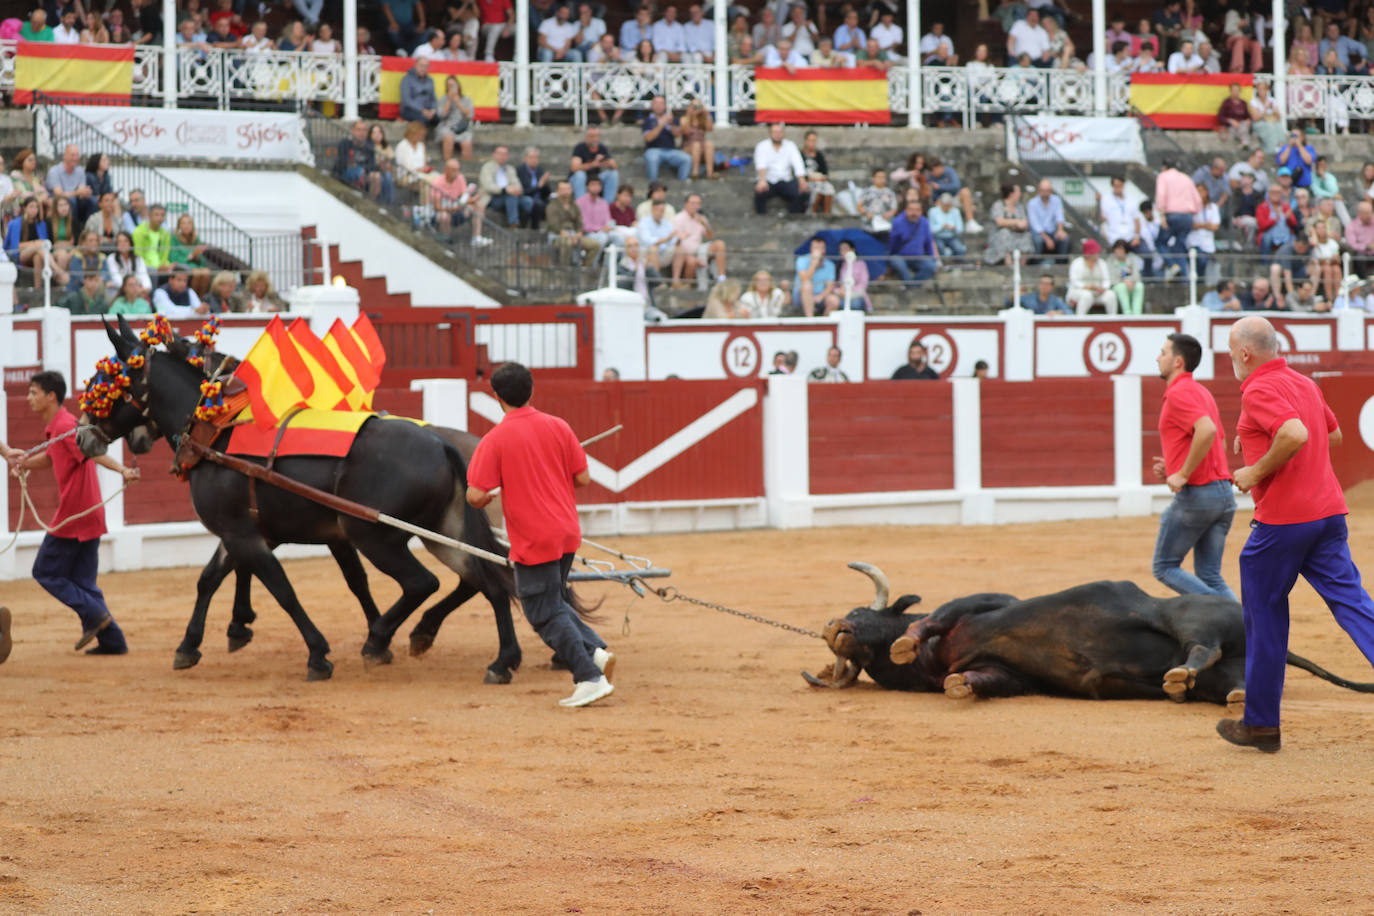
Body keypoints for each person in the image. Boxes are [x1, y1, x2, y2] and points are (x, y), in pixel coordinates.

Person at [1217, 316, 1374, 751]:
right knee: (1354, 603)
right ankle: (1260, 722)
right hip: (1328, 515)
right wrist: (1251, 438)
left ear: (1245, 353)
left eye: (1232, 353)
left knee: (1264, 617)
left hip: (1284, 522)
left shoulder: (1259, 388)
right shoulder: (1303, 383)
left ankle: (1262, 724)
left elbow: (1294, 432)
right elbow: (1334, 434)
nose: (1232, 360)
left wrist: (1255, 470)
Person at [465, 363, 615, 708]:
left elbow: (474, 495)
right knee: (556, 602)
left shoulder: (495, 439)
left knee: (542, 612)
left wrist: (490, 493)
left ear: (497, 397)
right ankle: (595, 652)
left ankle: (589, 676)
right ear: (531, 390)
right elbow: (583, 479)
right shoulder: (558, 427)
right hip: (566, 532)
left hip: (535, 537)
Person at [1, 371, 140, 660]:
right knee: (83, 582)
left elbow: (92, 452)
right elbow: (53, 457)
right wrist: (25, 463)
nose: (28, 398)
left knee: (45, 571)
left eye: (33, 392)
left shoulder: (64, 424)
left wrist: (123, 470)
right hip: (88, 512)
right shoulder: (58, 426)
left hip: (75, 514)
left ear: (50, 396)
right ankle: (113, 640)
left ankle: (94, 615)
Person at [1149, 333, 1237, 600]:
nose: (1157, 357)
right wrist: (1176, 463)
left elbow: (1207, 430)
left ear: (1177, 361)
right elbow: (1218, 443)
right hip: (1223, 495)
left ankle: (1227, 618)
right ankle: (1245, 631)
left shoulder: (1178, 393)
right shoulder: (1201, 392)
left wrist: (1184, 472)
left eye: (1163, 352)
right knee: (1210, 575)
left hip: (1198, 496)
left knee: (1164, 567)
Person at [669, 193, 725, 287]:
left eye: (698, 203)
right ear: (686, 204)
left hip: (700, 249)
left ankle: (721, 278)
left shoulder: (701, 218)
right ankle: (688, 286)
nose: (695, 206)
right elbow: (676, 242)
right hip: (685, 252)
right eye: (693, 203)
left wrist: (706, 225)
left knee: (720, 244)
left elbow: (710, 237)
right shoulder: (678, 219)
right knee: (692, 261)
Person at [753, 122, 808, 216]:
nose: (777, 135)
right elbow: (761, 164)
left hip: (786, 180)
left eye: (780, 132)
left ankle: (793, 216)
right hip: (768, 181)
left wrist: (802, 180)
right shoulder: (762, 146)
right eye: (775, 132)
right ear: (770, 133)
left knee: (803, 192)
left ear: (783, 133)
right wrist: (762, 180)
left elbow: (798, 163)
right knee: (760, 191)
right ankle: (761, 218)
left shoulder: (790, 145)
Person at [641, 96, 691, 184]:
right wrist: (661, 124)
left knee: (687, 159)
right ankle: (653, 184)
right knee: (652, 158)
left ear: (665, 106)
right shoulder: (648, 120)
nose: (659, 106)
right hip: (653, 150)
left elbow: (678, 135)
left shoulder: (671, 119)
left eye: (661, 103)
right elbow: (648, 138)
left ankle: (682, 183)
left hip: (670, 151)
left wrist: (671, 124)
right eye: (656, 103)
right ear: (652, 106)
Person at [985, 183, 1035, 266]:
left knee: (1027, 236)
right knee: (1004, 233)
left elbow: (1025, 222)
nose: (1020, 194)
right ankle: (1009, 264)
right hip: (1000, 234)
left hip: (1017, 233)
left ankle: (1021, 264)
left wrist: (1021, 225)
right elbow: (1000, 222)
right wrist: (1016, 222)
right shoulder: (998, 205)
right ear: (1011, 193)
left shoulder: (1019, 206)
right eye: (1018, 191)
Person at [478, 145, 526, 228]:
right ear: (494, 154)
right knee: (511, 197)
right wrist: (505, 189)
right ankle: (513, 223)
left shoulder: (510, 169)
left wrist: (516, 189)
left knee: (528, 202)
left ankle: (526, 225)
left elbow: (517, 184)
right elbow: (488, 186)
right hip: (492, 197)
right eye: (500, 154)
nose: (502, 156)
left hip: (510, 196)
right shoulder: (487, 167)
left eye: (504, 154)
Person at [1066, 239, 1118, 314]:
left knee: (1111, 295)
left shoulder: (1102, 263)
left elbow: (1106, 280)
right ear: (1089, 253)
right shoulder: (1077, 262)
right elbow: (1074, 281)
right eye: (1095, 252)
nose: (1097, 254)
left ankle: (1112, 320)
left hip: (1098, 292)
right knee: (1086, 295)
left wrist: (1103, 288)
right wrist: (1086, 286)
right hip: (1078, 291)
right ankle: (1080, 321)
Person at [569, 126, 619, 202]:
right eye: (592, 136)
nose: (595, 139)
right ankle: (581, 205)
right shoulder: (580, 147)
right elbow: (574, 168)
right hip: (581, 179)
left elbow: (615, 166)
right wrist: (592, 164)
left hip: (595, 178)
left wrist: (608, 163)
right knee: (580, 175)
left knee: (613, 174)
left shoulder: (602, 148)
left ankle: (606, 205)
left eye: (597, 136)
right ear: (586, 137)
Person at [1027, 179, 1069, 263]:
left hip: (1053, 231)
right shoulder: (1032, 203)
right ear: (1039, 191)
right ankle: (1036, 265)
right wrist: (1047, 239)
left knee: (1065, 239)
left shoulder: (1056, 200)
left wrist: (1060, 230)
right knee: (1038, 241)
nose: (1045, 193)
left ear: (1051, 191)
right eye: (1043, 190)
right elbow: (1035, 224)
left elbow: (1059, 216)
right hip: (1039, 233)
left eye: (1047, 191)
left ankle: (1061, 265)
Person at [1107, 240, 1145, 315]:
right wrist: (1124, 281)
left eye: (1121, 249)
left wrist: (1131, 281)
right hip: (1117, 284)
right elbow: (1111, 278)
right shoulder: (1110, 260)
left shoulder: (1131, 258)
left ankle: (1137, 313)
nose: (1119, 251)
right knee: (1121, 287)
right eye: (1117, 249)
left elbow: (1136, 274)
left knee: (1139, 286)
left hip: (1132, 283)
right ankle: (1127, 313)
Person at [399, 58, 438, 126]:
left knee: (437, 119)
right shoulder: (407, 79)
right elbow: (406, 100)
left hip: (427, 110)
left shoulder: (430, 80)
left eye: (426, 66)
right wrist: (422, 110)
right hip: (410, 110)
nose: (423, 68)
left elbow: (433, 98)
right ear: (415, 65)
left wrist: (433, 110)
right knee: (423, 119)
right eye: (421, 66)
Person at [929, 193, 965, 259]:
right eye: (945, 206)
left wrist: (954, 228)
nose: (947, 208)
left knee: (961, 250)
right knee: (943, 251)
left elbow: (960, 229)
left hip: (952, 237)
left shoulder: (956, 211)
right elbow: (931, 230)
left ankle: (956, 263)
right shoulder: (933, 211)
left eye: (949, 206)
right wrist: (941, 227)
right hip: (938, 237)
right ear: (941, 204)